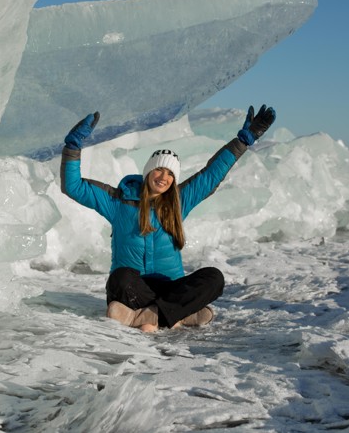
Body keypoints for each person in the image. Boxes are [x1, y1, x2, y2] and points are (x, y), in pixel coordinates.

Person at [60, 105, 276, 332]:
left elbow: (211, 175)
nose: (164, 177)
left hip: (170, 289)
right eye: (159, 170)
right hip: (133, 290)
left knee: (214, 278)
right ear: (148, 172)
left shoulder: (180, 201)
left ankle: (144, 317)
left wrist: (243, 141)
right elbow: (73, 186)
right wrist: (72, 147)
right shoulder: (117, 200)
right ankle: (178, 316)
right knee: (120, 278)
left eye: (170, 174)